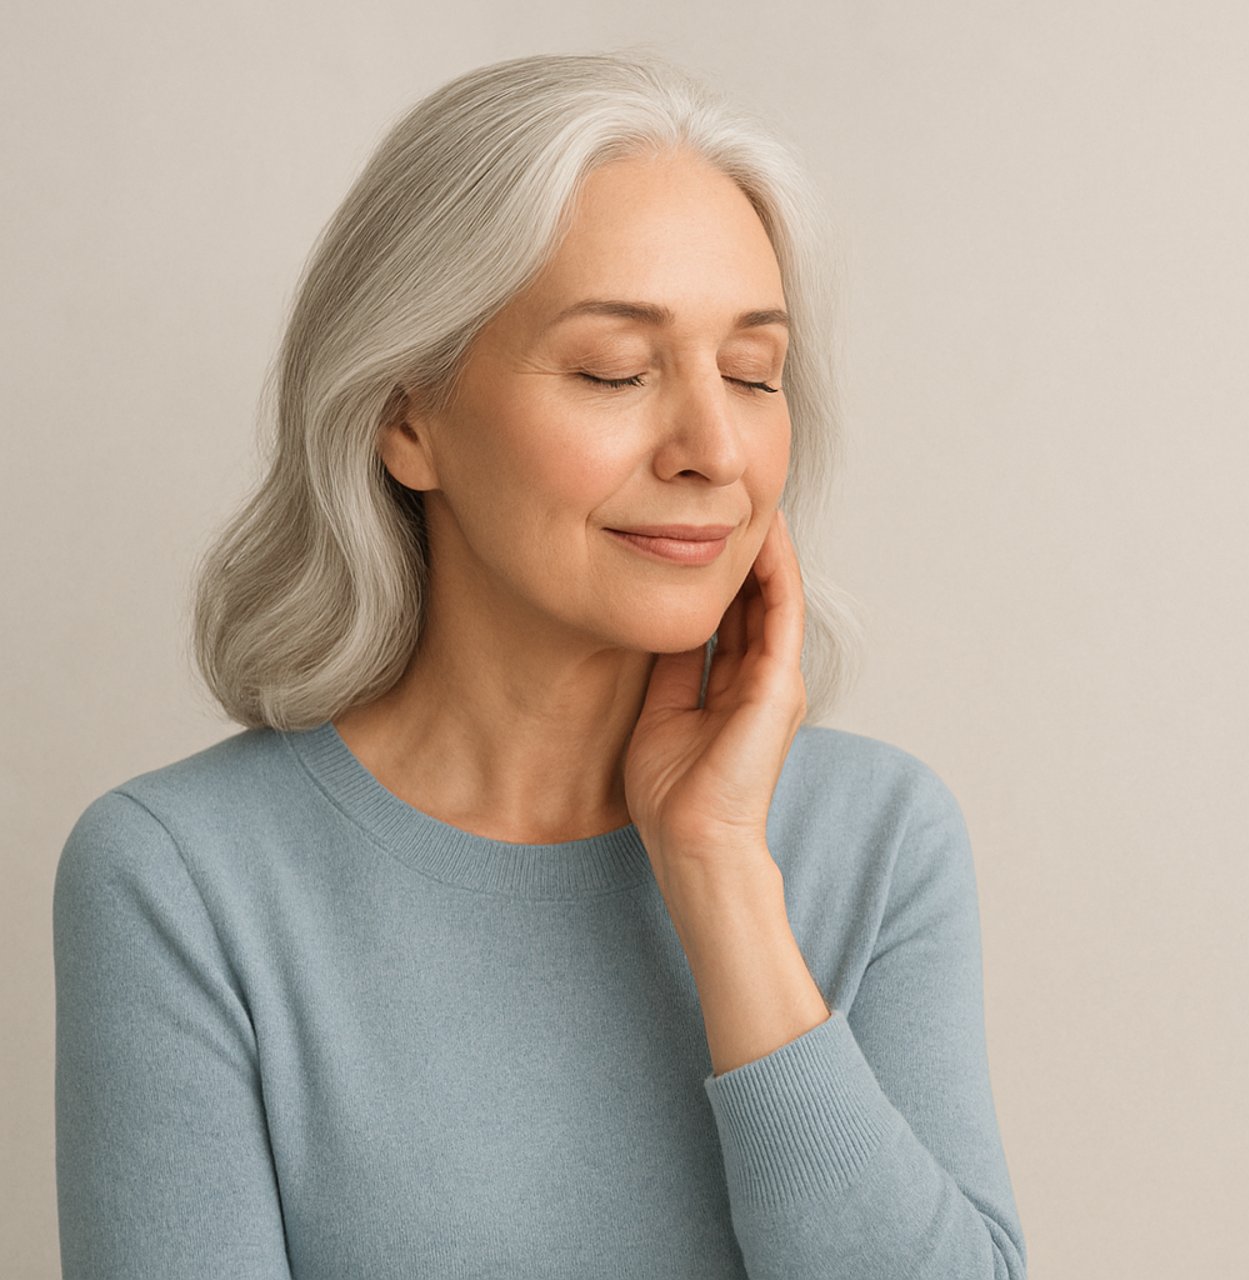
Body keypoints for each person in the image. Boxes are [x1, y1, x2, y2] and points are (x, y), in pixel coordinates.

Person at [51, 48, 1027, 1280]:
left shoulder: (879, 838)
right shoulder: (182, 877)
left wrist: (721, 873)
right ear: (407, 416)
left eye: (752, 373)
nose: (714, 447)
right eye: (617, 370)